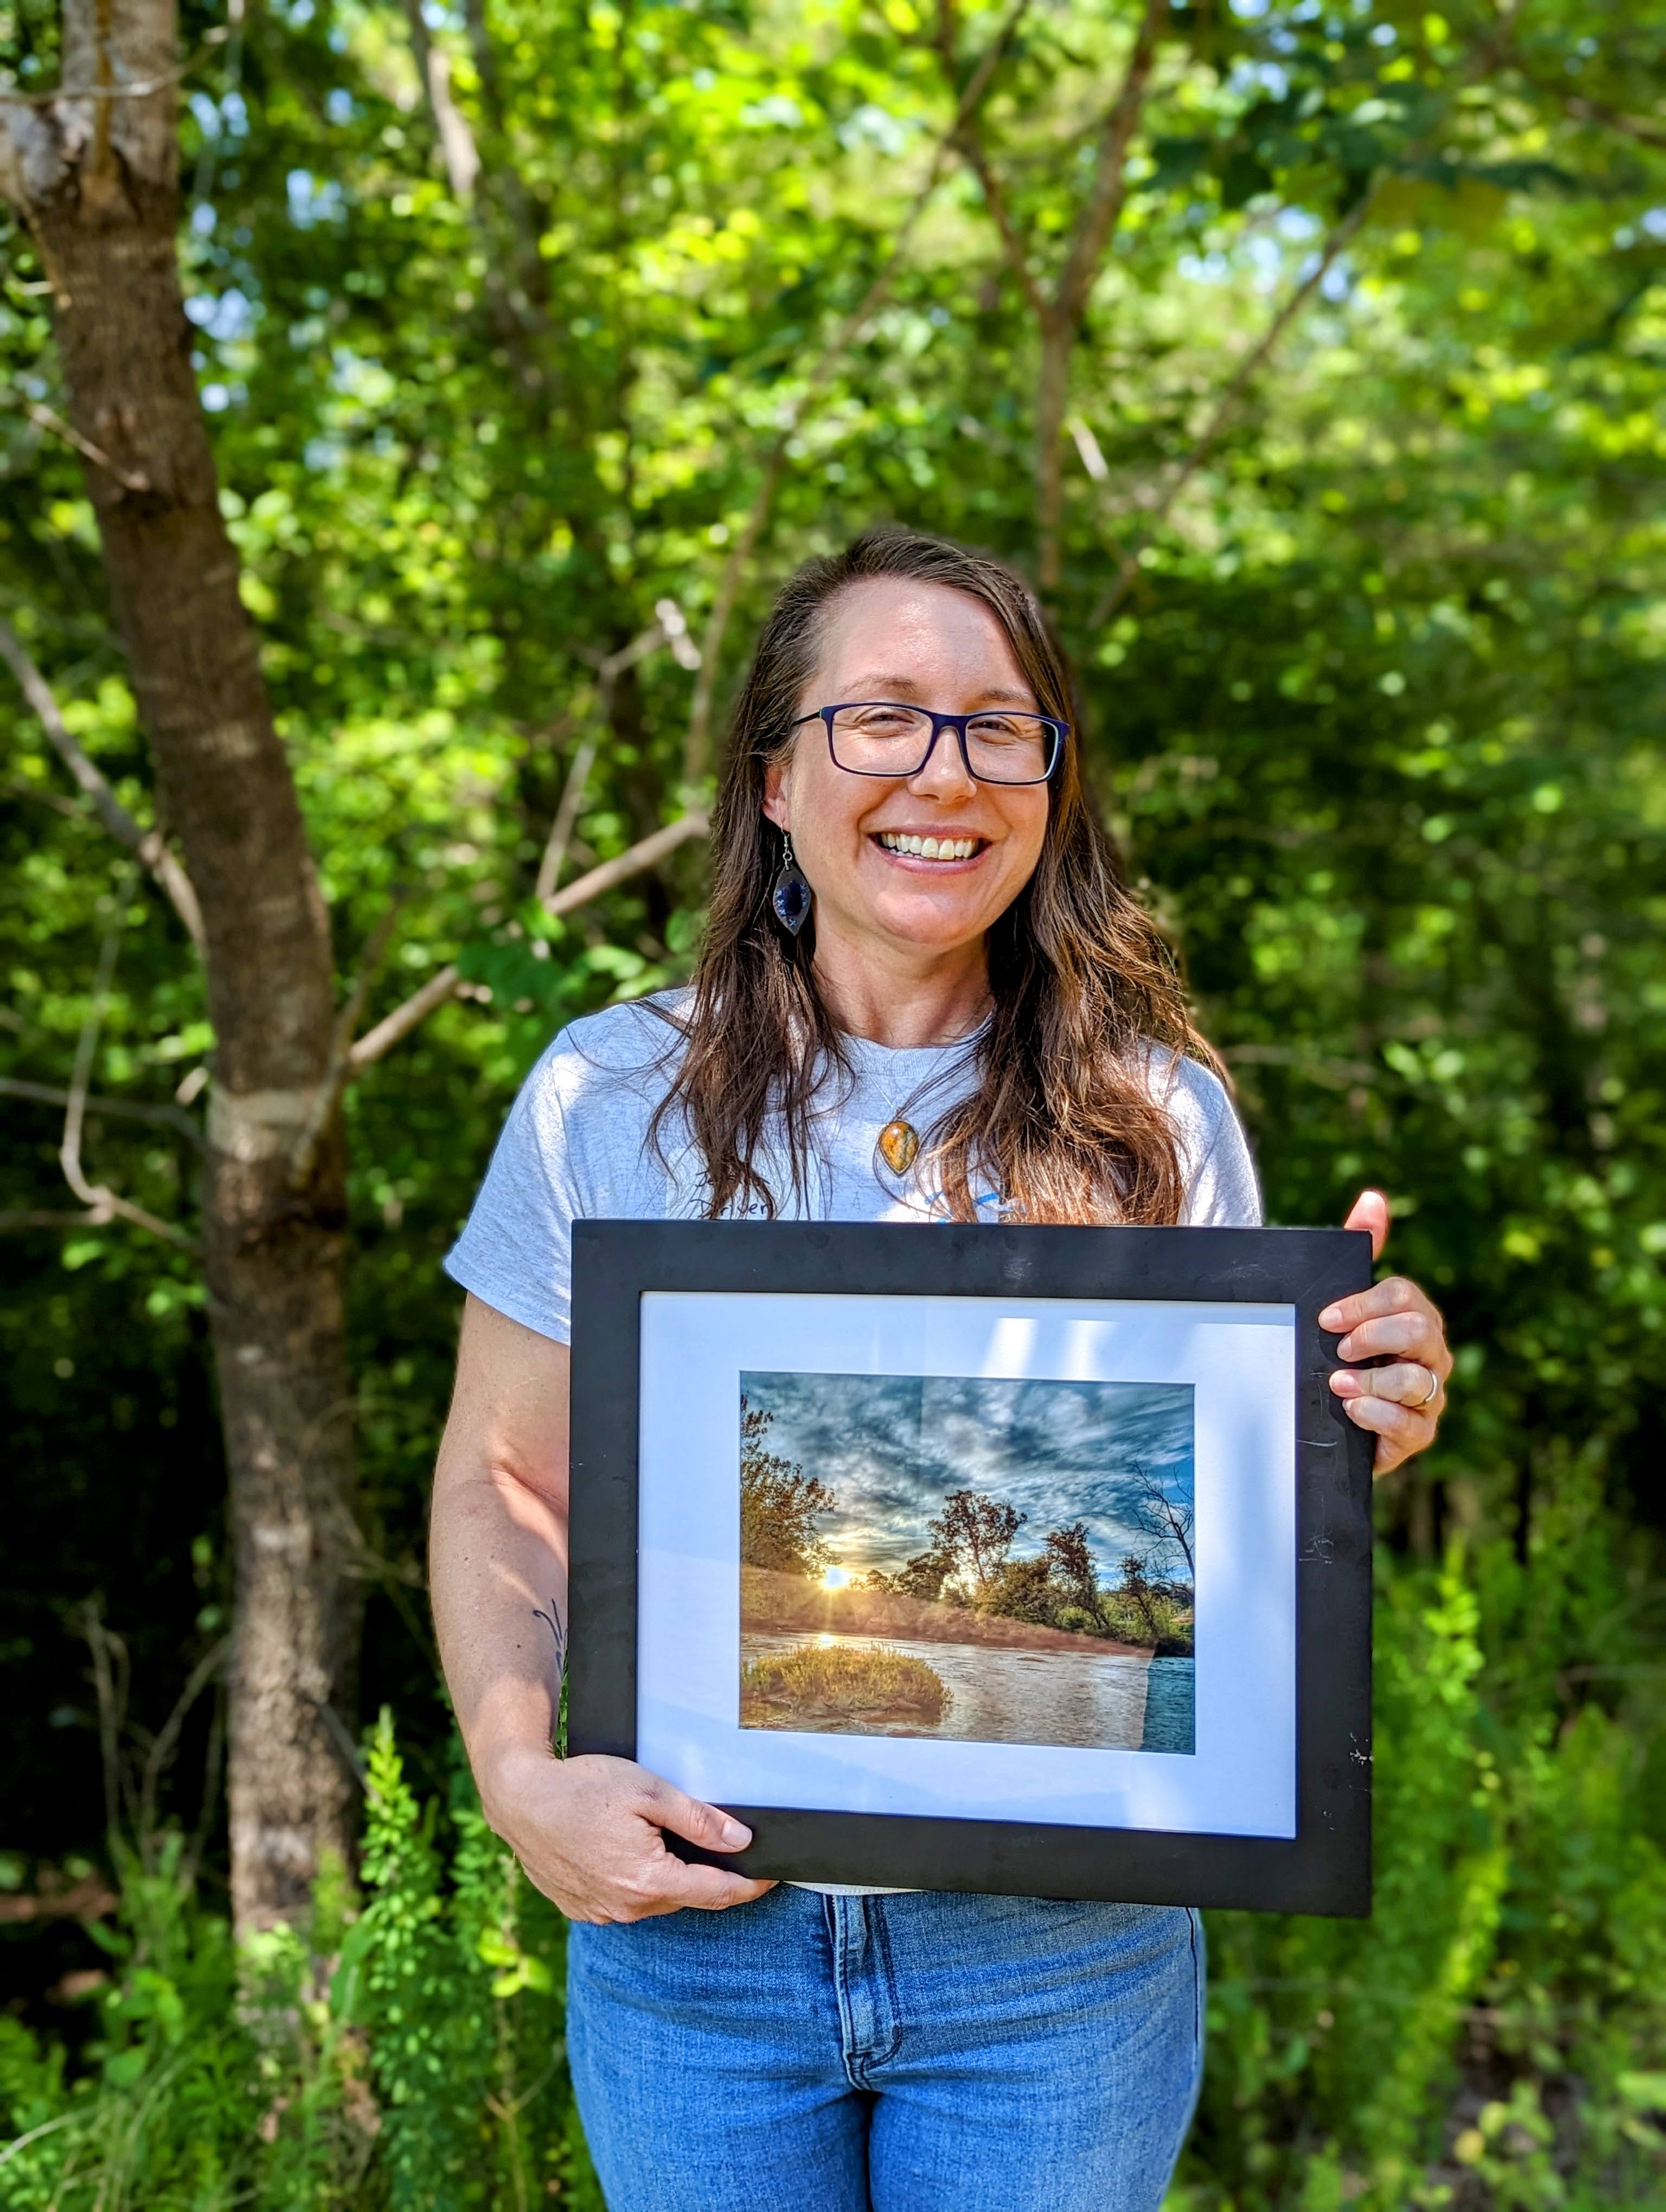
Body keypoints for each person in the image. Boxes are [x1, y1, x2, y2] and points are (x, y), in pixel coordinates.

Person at [432, 528, 1452, 2211]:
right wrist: (518, 1775)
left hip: (1064, 1969)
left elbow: (1222, 1549)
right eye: (884, 715)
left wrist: (1343, 1432)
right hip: (692, 1941)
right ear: (775, 776)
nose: (946, 771)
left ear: (1050, 785)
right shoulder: (604, 1096)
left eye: (1000, 726)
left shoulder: (1155, 1113)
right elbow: (502, 1481)